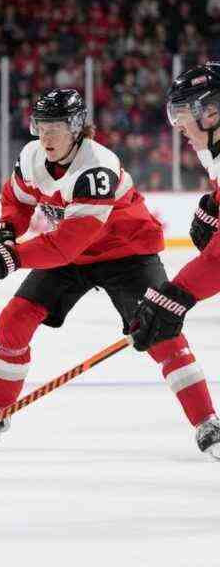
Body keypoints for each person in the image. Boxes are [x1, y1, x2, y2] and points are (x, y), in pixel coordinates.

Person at [0, 88, 220, 458]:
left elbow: (66, 244)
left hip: (126, 253)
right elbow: (16, 199)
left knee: (162, 330)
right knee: (13, 321)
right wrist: (4, 231)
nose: (46, 137)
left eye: (56, 128)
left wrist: (9, 259)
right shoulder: (32, 156)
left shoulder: (96, 166)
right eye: (41, 126)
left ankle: (207, 420)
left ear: (78, 128)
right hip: (72, 255)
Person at [130, 63, 220, 458]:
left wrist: (177, 294)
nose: (177, 124)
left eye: (183, 113)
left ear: (212, 112)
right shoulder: (212, 146)